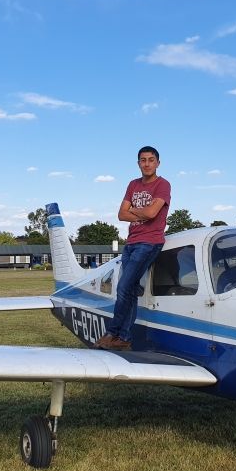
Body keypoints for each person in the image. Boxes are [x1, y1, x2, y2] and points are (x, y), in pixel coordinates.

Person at [95, 145, 171, 350]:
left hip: (149, 242)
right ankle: (125, 338)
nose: (147, 163)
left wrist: (136, 211)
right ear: (138, 163)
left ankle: (113, 332)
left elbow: (153, 213)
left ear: (158, 163)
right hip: (131, 243)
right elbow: (121, 214)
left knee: (123, 287)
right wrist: (143, 211)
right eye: (143, 160)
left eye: (151, 160)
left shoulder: (163, 185)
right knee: (128, 290)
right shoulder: (132, 184)